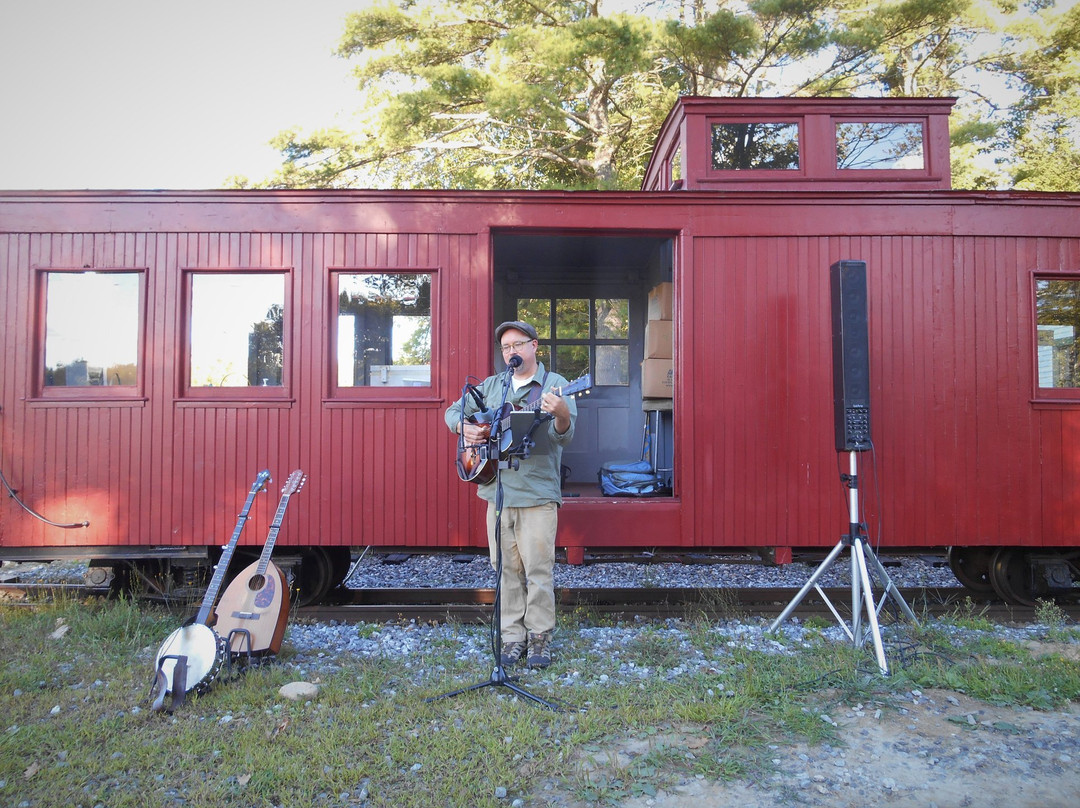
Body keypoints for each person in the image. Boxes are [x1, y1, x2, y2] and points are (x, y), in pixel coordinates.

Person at [444, 320, 576, 668]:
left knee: (538, 570)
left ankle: (539, 640)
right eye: (505, 347)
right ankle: (512, 637)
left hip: (537, 496)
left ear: (534, 346)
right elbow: (453, 411)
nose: (511, 352)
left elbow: (564, 435)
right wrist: (466, 428)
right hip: (497, 493)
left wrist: (561, 414)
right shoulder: (493, 386)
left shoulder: (556, 386)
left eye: (518, 344)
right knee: (504, 569)